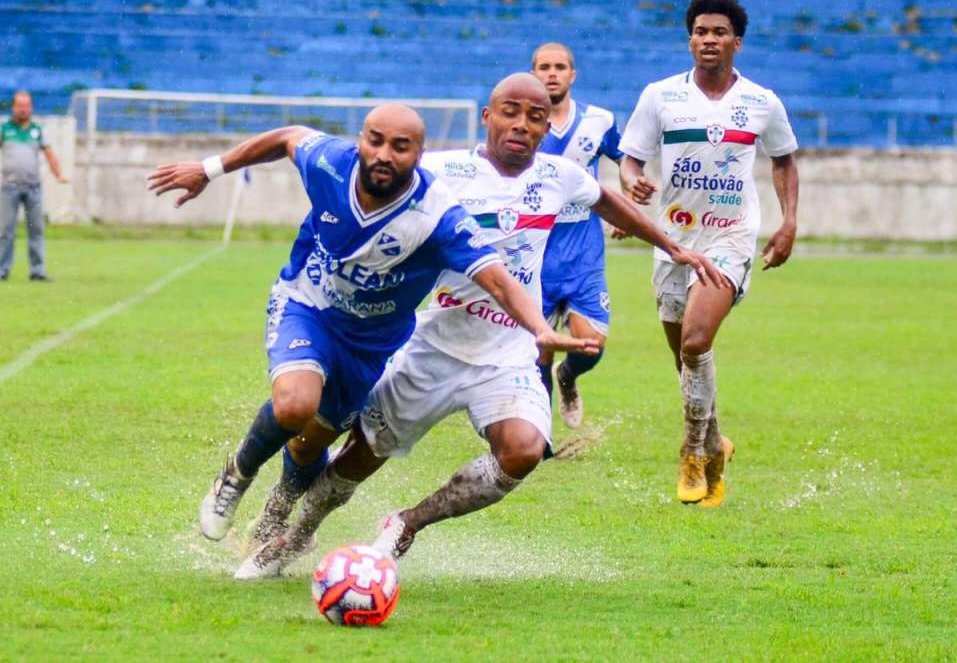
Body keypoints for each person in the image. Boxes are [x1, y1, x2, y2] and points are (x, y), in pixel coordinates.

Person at [235, 73, 725, 579]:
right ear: (488, 117)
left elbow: (603, 199)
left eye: (536, 116)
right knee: (360, 456)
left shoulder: (559, 176)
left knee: (523, 451)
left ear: (545, 127)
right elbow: (370, 177)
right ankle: (295, 533)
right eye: (510, 111)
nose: (522, 124)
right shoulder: (440, 171)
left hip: (508, 353)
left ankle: (406, 524)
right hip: (433, 346)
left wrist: (671, 245)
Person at [146, 103, 596, 545]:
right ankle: (237, 476)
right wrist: (209, 169)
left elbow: (497, 278)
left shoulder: (438, 216)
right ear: (361, 140)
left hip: (370, 343)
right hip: (308, 306)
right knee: (294, 406)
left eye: (400, 147)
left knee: (310, 443)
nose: (383, 154)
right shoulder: (331, 163)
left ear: (419, 156)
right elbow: (287, 137)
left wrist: (538, 327)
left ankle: (281, 506)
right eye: (375, 140)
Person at [618, 0, 800, 507]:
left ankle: (693, 453)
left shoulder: (762, 102)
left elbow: (784, 160)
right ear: (690, 39)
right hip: (673, 240)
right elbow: (631, 159)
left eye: (719, 32)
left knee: (697, 341)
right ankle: (717, 440)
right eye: (700, 32)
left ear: (736, 42)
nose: (708, 40)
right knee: (684, 359)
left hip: (730, 237)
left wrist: (788, 223)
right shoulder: (660, 97)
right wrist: (633, 184)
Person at [530, 42, 624, 429]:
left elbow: (626, 161)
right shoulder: (521, 123)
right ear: (533, 73)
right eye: (544, 67)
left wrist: (626, 204)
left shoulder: (598, 121)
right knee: (536, 350)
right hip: (535, 252)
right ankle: (540, 434)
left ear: (573, 74)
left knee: (590, 345)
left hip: (583, 251)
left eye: (559, 67)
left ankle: (569, 377)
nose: (552, 73)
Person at [1, 90, 68, 281]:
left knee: (36, 229)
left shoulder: (36, 130)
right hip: (8, 187)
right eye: (20, 106)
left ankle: (37, 270)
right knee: (6, 230)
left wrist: (58, 175)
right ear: (13, 107)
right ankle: (2, 269)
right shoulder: (5, 129)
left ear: (31, 108)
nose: (23, 109)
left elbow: (49, 154)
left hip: (33, 188)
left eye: (26, 106)